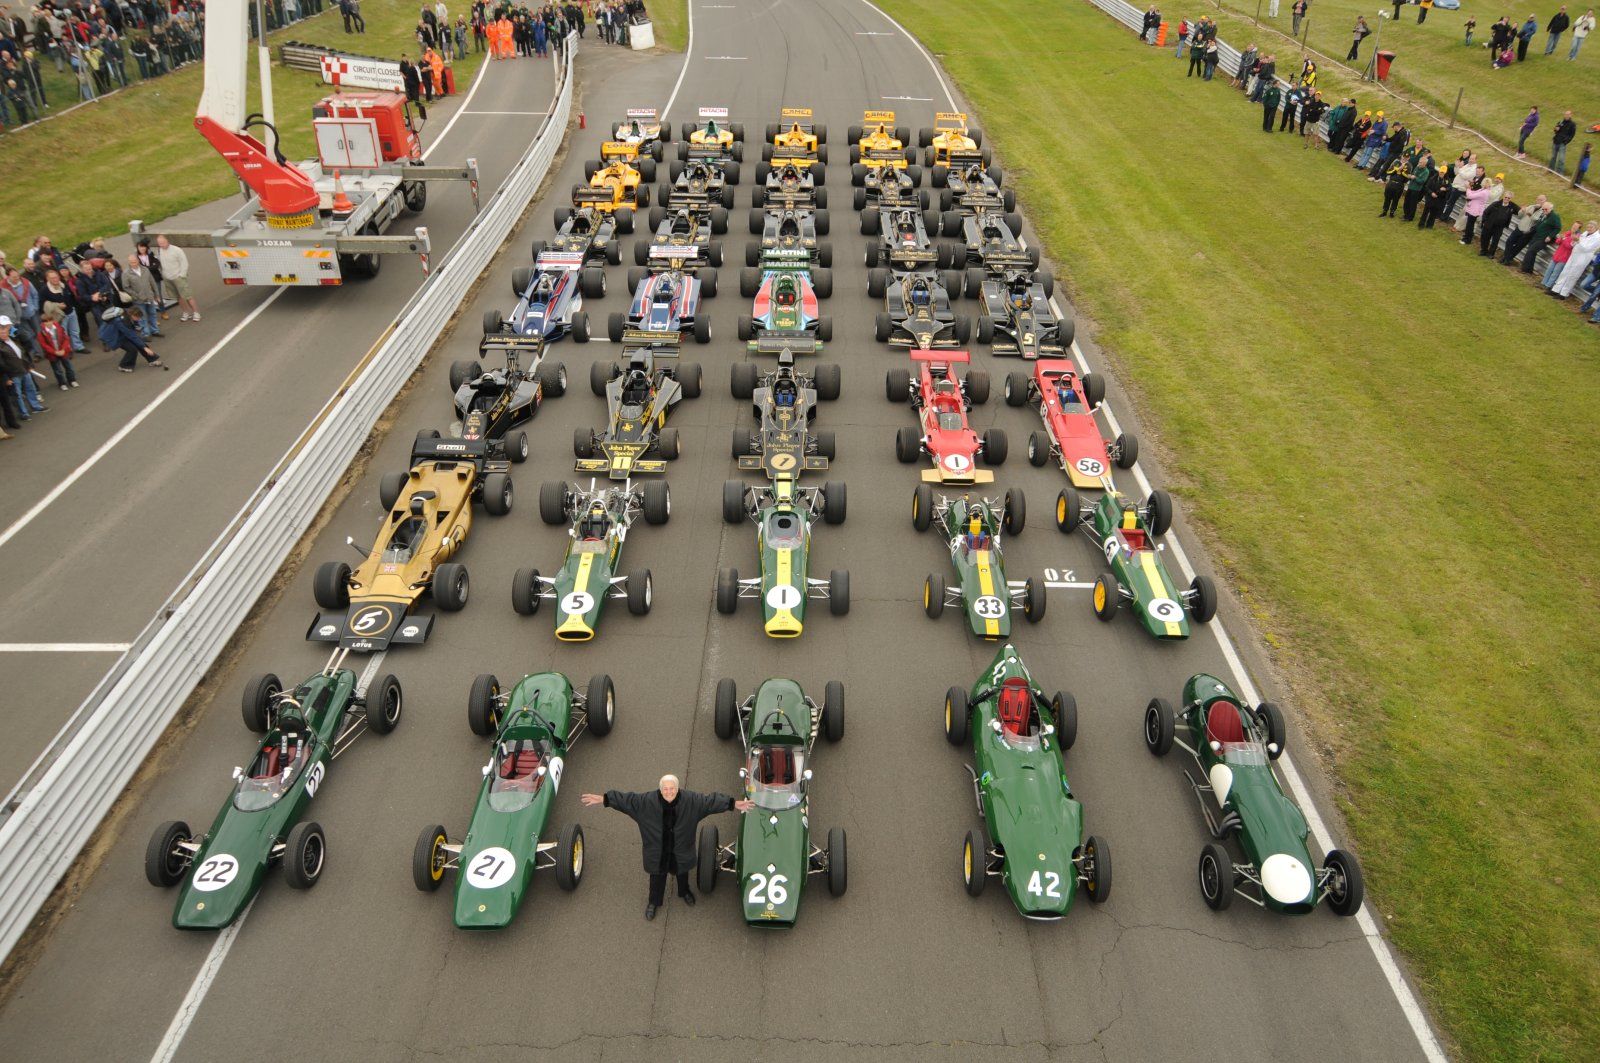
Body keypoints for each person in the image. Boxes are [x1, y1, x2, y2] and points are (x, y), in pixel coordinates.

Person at [580, 776, 752, 920]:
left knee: (682, 874)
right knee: (657, 880)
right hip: (657, 855)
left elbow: (710, 802)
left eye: (672, 788)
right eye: (665, 789)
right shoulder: (645, 803)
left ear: (678, 789)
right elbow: (625, 800)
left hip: (681, 852)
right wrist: (604, 799)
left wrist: (732, 804)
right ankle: (654, 902)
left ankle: (684, 891)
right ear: (660, 789)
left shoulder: (691, 801)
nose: (669, 792)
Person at [0, 316, 46, 418]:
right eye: (2, 329)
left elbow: (23, 354)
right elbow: (1, 364)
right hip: (13, 374)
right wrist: (7, 378)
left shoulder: (14, 339)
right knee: (17, 395)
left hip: (24, 369)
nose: (5, 332)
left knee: (31, 389)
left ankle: (35, 406)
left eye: (6, 329)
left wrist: (28, 366)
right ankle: (23, 413)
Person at [99, 306, 167, 372]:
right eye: (138, 317)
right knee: (132, 349)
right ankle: (123, 366)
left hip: (120, 333)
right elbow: (130, 335)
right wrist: (144, 347)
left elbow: (132, 333)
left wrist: (143, 346)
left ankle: (152, 360)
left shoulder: (128, 314)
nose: (139, 319)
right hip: (113, 336)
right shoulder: (121, 321)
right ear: (133, 315)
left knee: (139, 343)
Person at [155, 235, 199, 321]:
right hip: (168, 278)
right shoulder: (159, 251)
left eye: (163, 243)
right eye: (160, 243)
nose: (162, 245)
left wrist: (181, 275)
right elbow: (160, 263)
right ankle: (186, 312)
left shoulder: (177, 250)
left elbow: (184, 263)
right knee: (178, 297)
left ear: (167, 241)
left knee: (187, 296)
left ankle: (196, 312)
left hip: (178, 277)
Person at [1550, 222, 1600, 296]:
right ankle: (1556, 290)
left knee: (1572, 275)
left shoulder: (1597, 238)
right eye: (1588, 227)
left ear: (1596, 228)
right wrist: (1573, 241)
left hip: (1582, 258)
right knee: (1565, 272)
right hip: (1574, 255)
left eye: (1591, 227)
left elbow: (1587, 248)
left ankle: (1563, 293)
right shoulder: (1585, 233)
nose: (1588, 229)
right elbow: (1575, 243)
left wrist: (1578, 240)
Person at [36, 304, 77, 390]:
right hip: (53, 354)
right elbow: (44, 345)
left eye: (50, 320)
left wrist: (63, 349)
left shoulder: (59, 328)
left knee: (69, 367)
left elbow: (66, 338)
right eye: (46, 321)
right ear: (43, 323)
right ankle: (62, 383)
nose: (48, 323)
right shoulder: (41, 334)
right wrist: (55, 352)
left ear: (52, 320)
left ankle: (72, 380)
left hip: (63, 351)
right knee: (57, 370)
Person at [120, 254, 162, 338]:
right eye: (131, 262)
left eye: (135, 262)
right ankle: (146, 334)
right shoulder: (126, 273)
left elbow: (152, 282)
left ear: (138, 261)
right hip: (138, 300)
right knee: (142, 317)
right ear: (129, 262)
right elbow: (126, 287)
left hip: (149, 298)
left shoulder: (145, 269)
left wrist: (157, 295)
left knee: (152, 314)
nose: (133, 264)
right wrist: (137, 296)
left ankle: (155, 331)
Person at [1522, 202, 1564, 270]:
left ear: (1551, 209)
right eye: (1543, 209)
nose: (1544, 210)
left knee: (1531, 250)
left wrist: (1550, 236)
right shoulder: (1544, 214)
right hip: (1537, 236)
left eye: (1546, 209)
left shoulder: (1554, 217)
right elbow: (1538, 224)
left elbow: (1558, 228)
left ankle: (1524, 269)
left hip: (1543, 238)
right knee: (1531, 250)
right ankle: (1529, 269)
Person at [1479, 191, 1518, 255]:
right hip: (1489, 225)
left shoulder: (1512, 206)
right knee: (1485, 238)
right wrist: (1485, 221)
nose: (1507, 199)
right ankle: (1483, 251)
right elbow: (1486, 212)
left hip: (1499, 227)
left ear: (1511, 199)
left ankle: (1491, 254)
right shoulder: (1496, 204)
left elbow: (1519, 211)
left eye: (1509, 198)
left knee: (1495, 241)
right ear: (1503, 197)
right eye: (1506, 197)